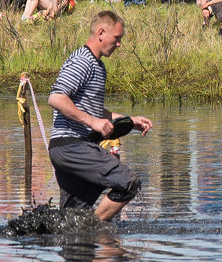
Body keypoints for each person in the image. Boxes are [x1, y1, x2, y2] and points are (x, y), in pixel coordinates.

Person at [47, 11, 152, 221]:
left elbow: (93, 110)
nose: (119, 44)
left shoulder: (98, 66)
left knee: (72, 219)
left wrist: (130, 122)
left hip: (71, 150)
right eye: (117, 38)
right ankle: (95, 229)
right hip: (71, 146)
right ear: (101, 33)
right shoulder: (83, 60)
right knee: (128, 182)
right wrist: (93, 122)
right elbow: (56, 98)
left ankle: (80, 237)